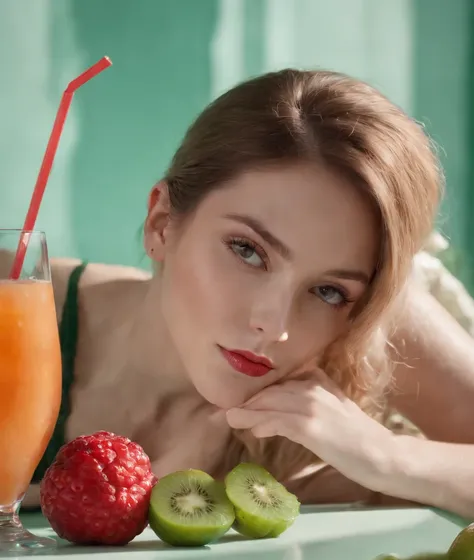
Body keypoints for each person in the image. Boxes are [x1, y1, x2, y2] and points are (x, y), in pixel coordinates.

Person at [17, 69, 474, 518]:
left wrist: (387, 456)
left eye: (328, 291)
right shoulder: (16, 300)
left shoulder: (361, 349)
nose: (274, 326)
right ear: (162, 223)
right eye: (248, 251)